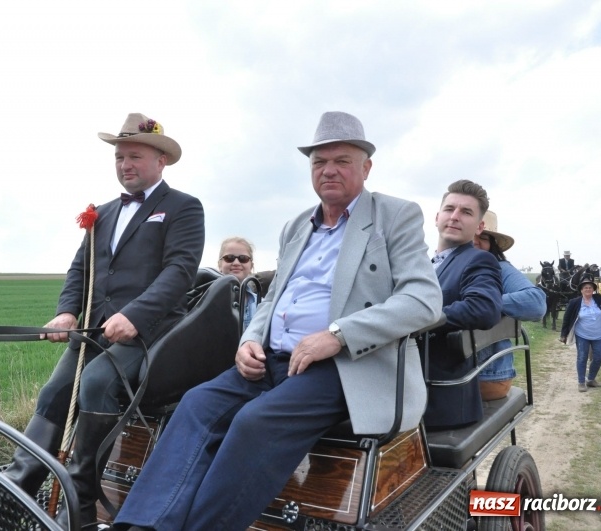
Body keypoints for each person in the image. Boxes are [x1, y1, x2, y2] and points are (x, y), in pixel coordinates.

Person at [113, 111, 443, 531]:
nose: (329, 170)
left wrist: (338, 336)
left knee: (254, 422)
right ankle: (142, 525)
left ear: (366, 167)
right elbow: (272, 300)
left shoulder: (395, 216)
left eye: (341, 160)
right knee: (196, 404)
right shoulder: (295, 227)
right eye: (318, 162)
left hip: (344, 368)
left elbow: (424, 300)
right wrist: (250, 338)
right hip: (271, 360)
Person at [3, 113, 205, 527]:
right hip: (94, 332)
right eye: (119, 157)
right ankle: (13, 493)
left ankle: (77, 510)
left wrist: (135, 315)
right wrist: (65, 312)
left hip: (151, 332)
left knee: (95, 385)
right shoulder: (102, 213)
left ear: (160, 161)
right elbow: (80, 269)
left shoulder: (183, 208)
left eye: (134, 156)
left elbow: (179, 272)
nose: (125, 164)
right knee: (54, 393)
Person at [424, 179, 503, 430]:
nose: (455, 216)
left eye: (466, 212)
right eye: (449, 209)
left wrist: (417, 319)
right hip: (398, 384)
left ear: (480, 226)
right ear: (437, 217)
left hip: (437, 396)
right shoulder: (423, 264)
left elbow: (484, 309)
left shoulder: (479, 260)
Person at [473, 211, 546, 400]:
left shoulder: (499, 267)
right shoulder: (444, 264)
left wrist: (478, 304)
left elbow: (536, 303)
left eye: (482, 236)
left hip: (486, 373)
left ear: (493, 244)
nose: (474, 241)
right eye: (469, 234)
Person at [217, 236, 258, 329]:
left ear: (251, 265)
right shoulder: (204, 300)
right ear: (219, 264)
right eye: (229, 258)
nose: (236, 262)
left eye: (243, 258)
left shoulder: (262, 305)